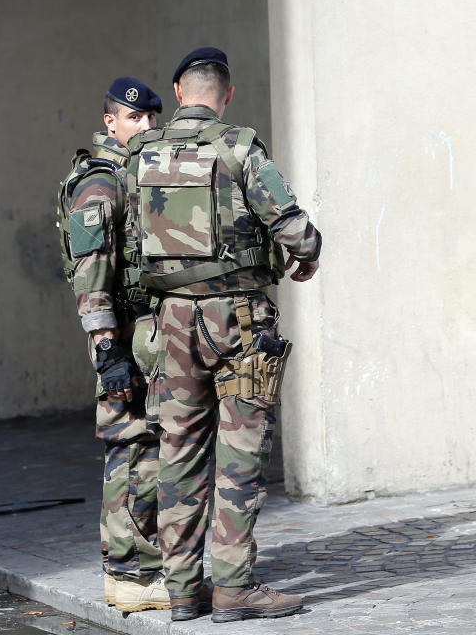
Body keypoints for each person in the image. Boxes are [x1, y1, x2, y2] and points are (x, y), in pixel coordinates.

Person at [123, 48, 321, 622]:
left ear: (180, 93)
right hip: (238, 323)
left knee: (176, 451)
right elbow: (297, 232)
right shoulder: (239, 146)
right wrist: (305, 257)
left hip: (169, 325)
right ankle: (233, 589)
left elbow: (125, 240)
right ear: (226, 95)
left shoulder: (139, 154)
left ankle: (183, 589)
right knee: (240, 454)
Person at [58, 77, 168, 612]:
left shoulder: (134, 174)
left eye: (152, 118)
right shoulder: (100, 184)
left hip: (144, 335)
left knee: (147, 447)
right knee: (133, 451)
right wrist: (109, 353)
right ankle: (129, 575)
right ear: (110, 122)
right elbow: (91, 274)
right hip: (122, 337)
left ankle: (141, 565)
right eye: (134, 118)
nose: (146, 126)